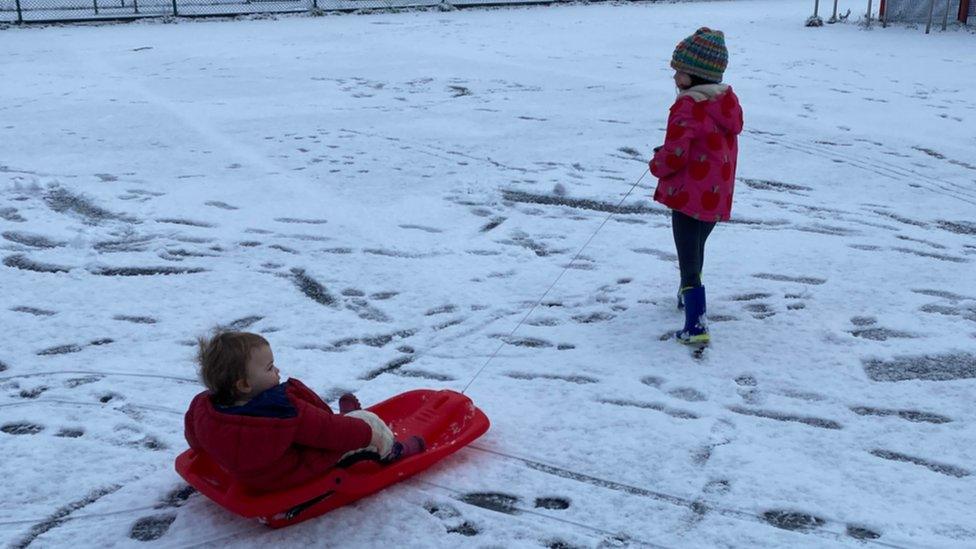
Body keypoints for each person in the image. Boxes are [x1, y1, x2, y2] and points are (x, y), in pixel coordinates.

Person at [184, 331, 425, 493]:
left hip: (254, 475)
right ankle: (392, 449)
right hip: (293, 469)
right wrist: (366, 433)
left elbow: (194, 438)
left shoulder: (204, 407)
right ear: (244, 385)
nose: (277, 371)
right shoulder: (282, 413)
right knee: (368, 423)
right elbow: (329, 433)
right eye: (269, 368)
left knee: (332, 425)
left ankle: (347, 420)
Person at [648, 27, 744, 346]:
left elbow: (676, 152)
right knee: (696, 247)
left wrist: (657, 163)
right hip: (716, 195)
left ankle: (696, 325)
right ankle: (686, 296)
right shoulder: (725, 103)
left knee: (688, 256)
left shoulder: (687, 107)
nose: (674, 76)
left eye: (679, 71)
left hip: (689, 194)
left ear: (694, 76)